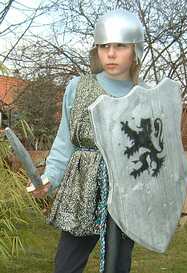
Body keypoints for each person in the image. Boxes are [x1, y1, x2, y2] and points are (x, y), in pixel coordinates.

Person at [28, 9, 144, 273]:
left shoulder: (144, 95)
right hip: (82, 183)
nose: (111, 53)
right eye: (104, 46)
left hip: (124, 188)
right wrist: (50, 177)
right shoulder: (78, 86)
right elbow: (64, 141)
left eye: (120, 46)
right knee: (66, 265)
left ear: (135, 49)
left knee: (117, 264)